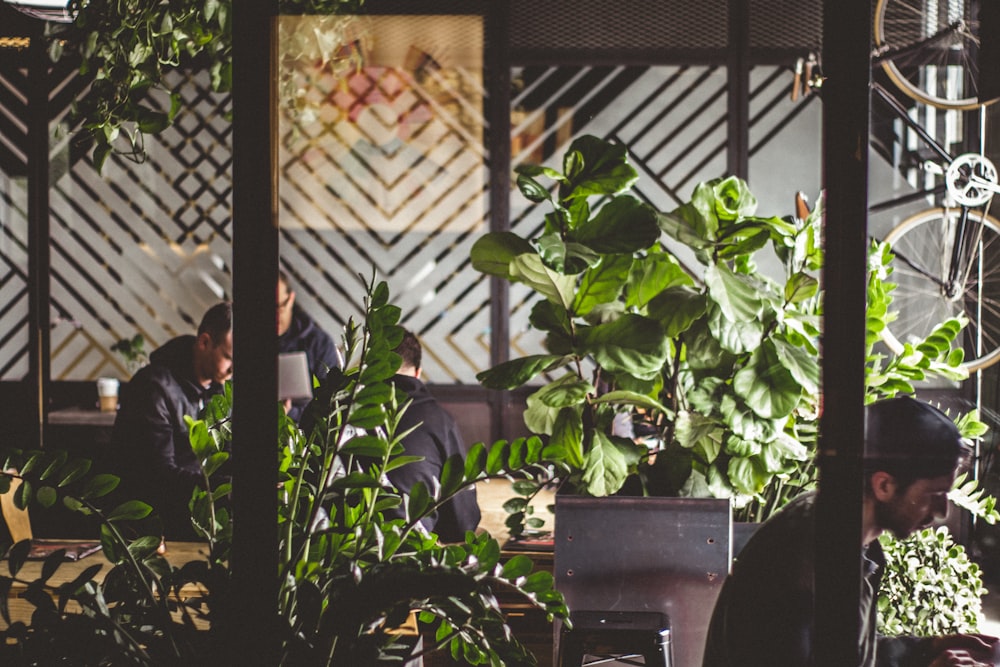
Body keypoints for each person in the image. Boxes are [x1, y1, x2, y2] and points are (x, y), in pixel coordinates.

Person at [703, 396, 998, 667]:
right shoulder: (808, 566)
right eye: (934, 494)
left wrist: (925, 650)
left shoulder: (844, 531)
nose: (942, 511)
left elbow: (843, 652)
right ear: (884, 485)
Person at [111, 302, 233, 540]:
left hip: (199, 513)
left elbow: (227, 455)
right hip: (157, 523)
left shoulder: (218, 390)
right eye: (229, 357)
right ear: (205, 342)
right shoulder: (153, 387)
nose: (233, 369)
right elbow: (159, 476)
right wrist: (229, 491)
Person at [386, 329, 480, 543]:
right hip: (409, 554)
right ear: (418, 372)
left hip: (332, 558)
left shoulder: (341, 413)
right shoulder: (437, 419)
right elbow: (462, 523)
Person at [277, 269, 343, 422]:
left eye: (278, 307)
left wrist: (290, 412)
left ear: (291, 299)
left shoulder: (318, 344)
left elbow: (331, 408)